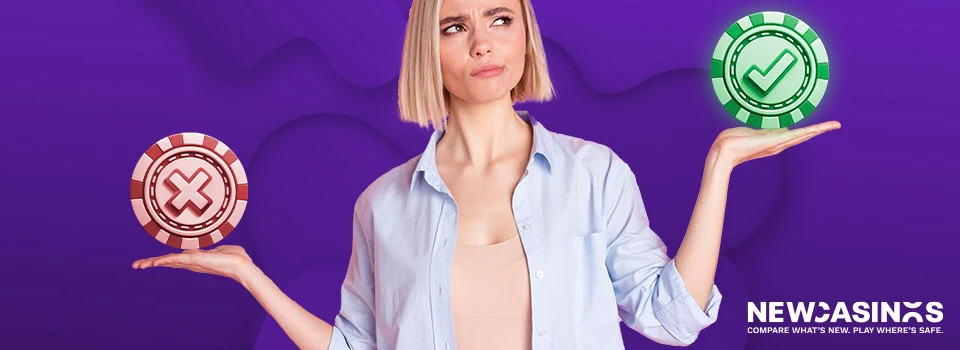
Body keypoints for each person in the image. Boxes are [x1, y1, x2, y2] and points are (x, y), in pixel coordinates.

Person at [132, 0, 841, 348]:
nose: (482, 42)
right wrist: (252, 276)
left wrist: (719, 167)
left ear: (525, 33)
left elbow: (673, 318)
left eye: (500, 17)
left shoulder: (593, 175)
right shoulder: (382, 204)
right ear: (427, 48)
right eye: (455, 25)